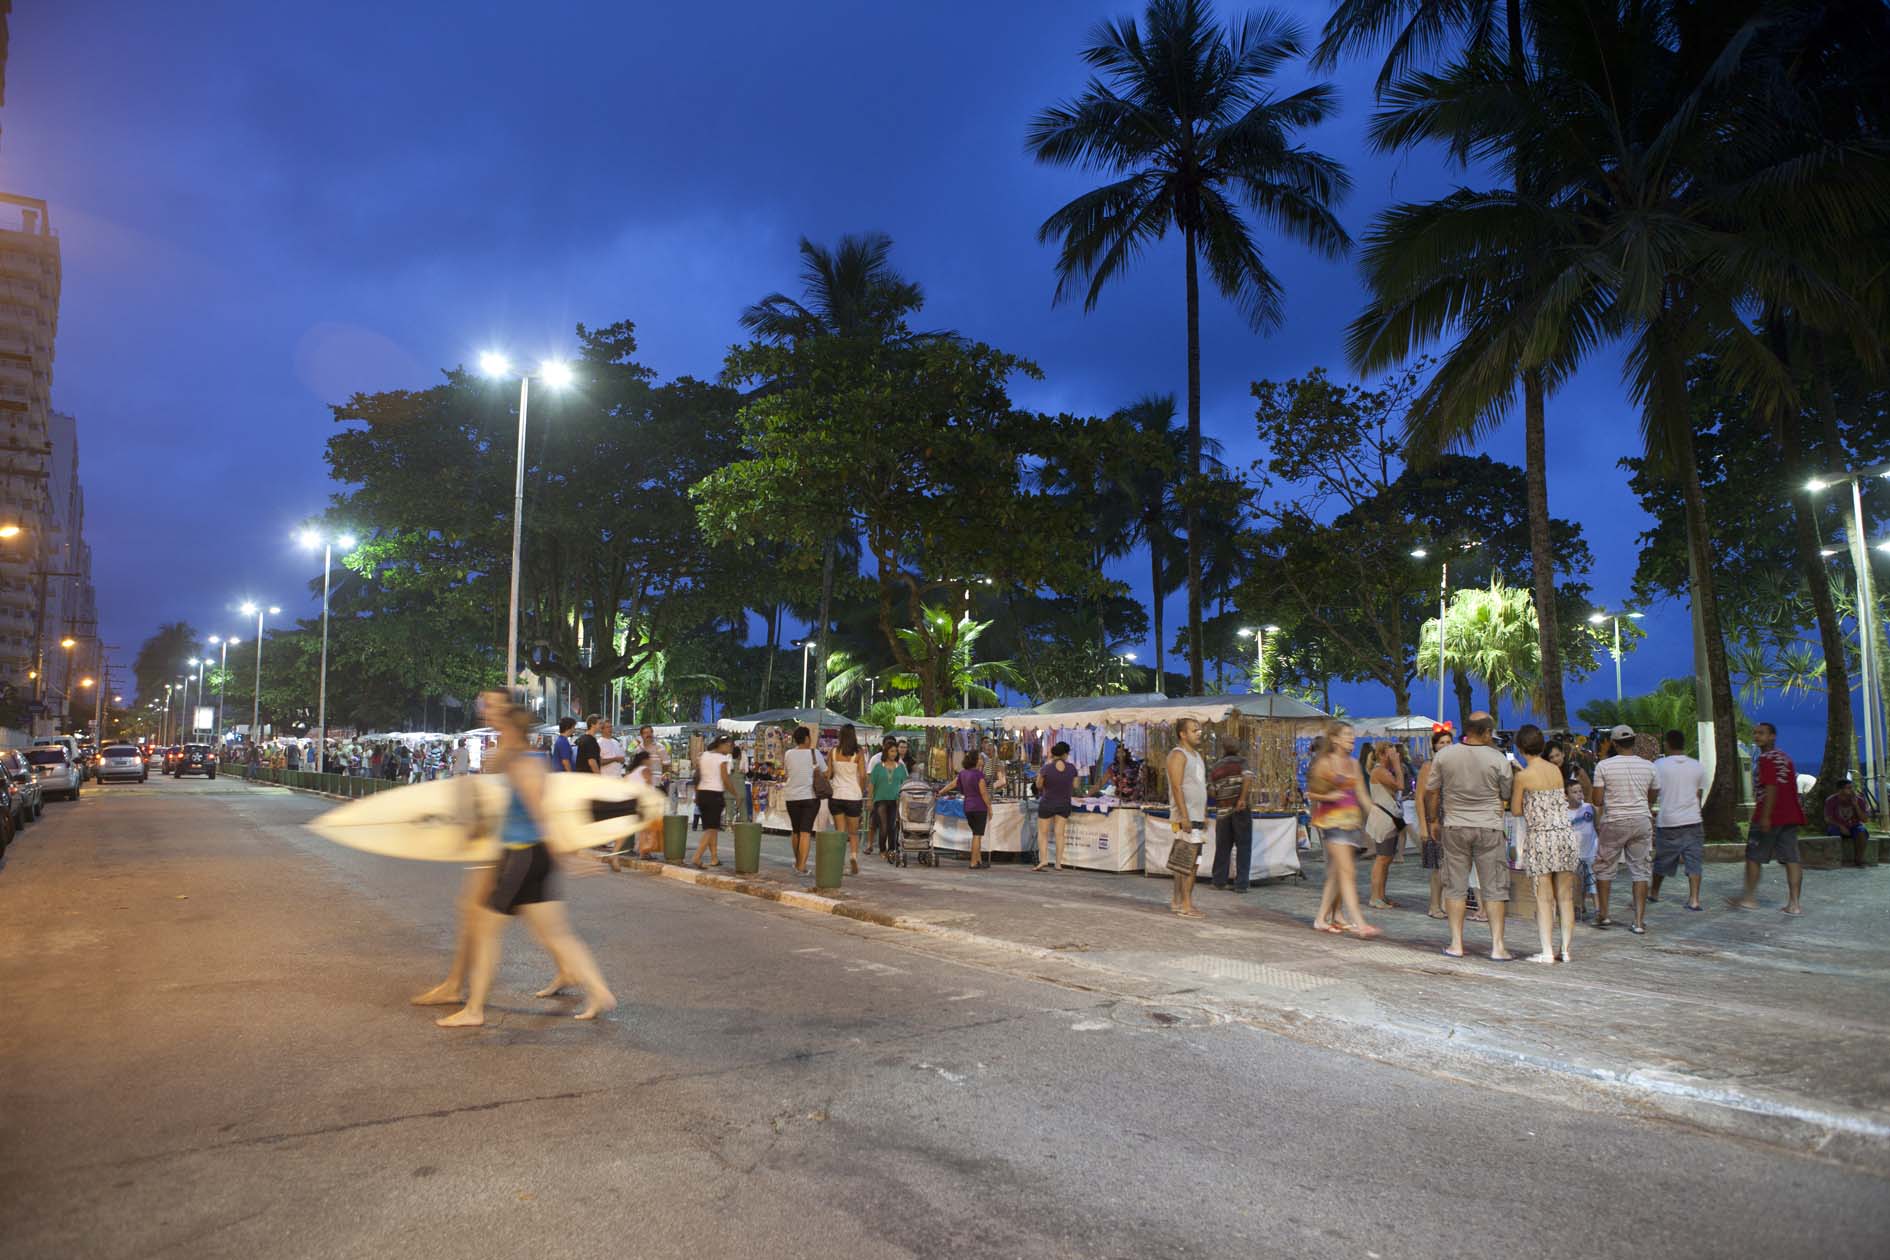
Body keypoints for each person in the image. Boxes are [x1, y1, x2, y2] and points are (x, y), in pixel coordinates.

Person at [435, 694, 614, 1028]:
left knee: (486, 931)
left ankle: (474, 1010)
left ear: (511, 729)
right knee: (556, 935)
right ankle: (599, 991)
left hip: (523, 856)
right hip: (530, 855)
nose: (495, 727)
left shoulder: (521, 764)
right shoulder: (530, 760)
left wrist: (569, 857)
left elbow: (540, 813)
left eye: (501, 725)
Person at [1427, 711, 1514, 959]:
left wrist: (1433, 820)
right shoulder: (1498, 759)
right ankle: (1497, 946)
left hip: (1454, 825)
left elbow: (1432, 791)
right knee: (1494, 887)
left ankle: (1456, 944)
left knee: (1455, 886)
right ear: (1486, 732)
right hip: (1489, 827)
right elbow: (1506, 793)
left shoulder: (1445, 755)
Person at [1510, 724, 1580, 963]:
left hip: (1541, 837)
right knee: (1565, 897)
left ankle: (1547, 951)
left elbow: (1516, 809)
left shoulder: (1522, 776)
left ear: (1521, 748)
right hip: (1565, 834)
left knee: (1544, 898)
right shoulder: (1555, 770)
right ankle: (1566, 950)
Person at [1308, 721, 1376, 937]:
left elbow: (1362, 795)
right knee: (1347, 871)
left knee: (1336, 874)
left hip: (1352, 823)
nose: (1352, 738)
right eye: (1347, 734)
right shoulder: (1324, 763)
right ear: (1335, 739)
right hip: (1332, 823)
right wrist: (1329, 797)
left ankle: (1321, 918)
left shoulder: (1354, 764)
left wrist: (1376, 815)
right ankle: (1359, 922)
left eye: (1352, 734)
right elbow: (1311, 793)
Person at [1732, 721, 1806, 915]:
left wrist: (1765, 816)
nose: (1757, 736)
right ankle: (1794, 904)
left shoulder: (1766, 759)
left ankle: (1749, 898)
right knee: (1792, 859)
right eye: (1755, 733)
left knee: (1753, 856)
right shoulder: (1786, 758)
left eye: (1762, 733)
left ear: (1772, 736)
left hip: (1770, 814)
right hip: (1790, 815)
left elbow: (1771, 787)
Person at [1591, 723, 1656, 934]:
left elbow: (1597, 800)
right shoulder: (1649, 766)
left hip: (1614, 821)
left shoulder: (1604, 766)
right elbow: (1653, 795)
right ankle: (1639, 921)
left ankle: (1604, 914)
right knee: (1640, 870)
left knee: (1604, 867)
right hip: (1641, 820)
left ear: (1614, 743)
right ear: (1633, 742)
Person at [1649, 729, 1707, 911]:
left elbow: (1653, 791)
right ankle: (1694, 899)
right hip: (1693, 820)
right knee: (1694, 861)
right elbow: (1699, 794)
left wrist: (1649, 806)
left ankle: (1654, 892)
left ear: (1667, 743)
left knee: (1662, 860)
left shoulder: (1659, 765)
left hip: (1669, 820)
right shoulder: (1697, 765)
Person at [1363, 742, 1408, 909]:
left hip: (1388, 817)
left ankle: (1381, 895)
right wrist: (1397, 766)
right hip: (1383, 818)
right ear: (1382, 755)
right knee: (1382, 859)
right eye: (1392, 754)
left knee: (1387, 859)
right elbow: (1400, 786)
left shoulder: (1383, 771)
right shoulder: (1379, 771)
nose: (1396, 756)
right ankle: (1375, 897)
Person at [1414, 729, 1453, 918]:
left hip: (1452, 820)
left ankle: (1445, 903)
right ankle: (1434, 905)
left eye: (1448, 742)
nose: (1445, 746)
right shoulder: (1428, 766)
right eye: (1441, 742)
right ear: (1434, 746)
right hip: (1435, 820)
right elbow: (1419, 798)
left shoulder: (1453, 766)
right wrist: (1423, 826)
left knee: (1450, 865)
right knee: (1438, 867)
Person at [1208, 744, 1254, 891]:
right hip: (1240, 808)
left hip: (1223, 811)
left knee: (1222, 846)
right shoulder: (1242, 762)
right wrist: (1242, 798)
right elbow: (1248, 778)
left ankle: (1218, 881)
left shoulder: (1216, 766)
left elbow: (1211, 790)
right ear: (1237, 750)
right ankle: (1241, 884)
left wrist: (1222, 793)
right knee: (1243, 846)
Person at [823, 724, 867, 874]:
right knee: (853, 833)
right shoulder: (858, 753)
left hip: (836, 796)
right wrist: (860, 790)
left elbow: (828, 774)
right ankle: (853, 857)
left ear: (840, 735)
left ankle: (839, 863)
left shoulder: (833, 752)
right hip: (853, 796)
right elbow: (863, 775)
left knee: (840, 833)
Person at [783, 726, 824, 874]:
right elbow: (825, 772)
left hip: (791, 797)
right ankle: (801, 866)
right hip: (810, 797)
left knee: (796, 831)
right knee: (805, 832)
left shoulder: (788, 754)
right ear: (807, 738)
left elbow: (787, 773)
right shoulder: (815, 753)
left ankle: (797, 862)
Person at [1035, 741, 1079, 872]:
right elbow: (1076, 786)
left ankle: (1043, 860)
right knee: (1060, 834)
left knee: (1043, 833)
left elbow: (1038, 785)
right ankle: (1058, 863)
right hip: (1064, 803)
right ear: (1065, 754)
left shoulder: (1046, 768)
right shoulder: (1072, 768)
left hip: (1047, 802)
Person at [690, 734, 732, 868]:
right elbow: (725, 779)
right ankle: (697, 857)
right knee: (711, 829)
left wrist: (697, 793)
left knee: (711, 828)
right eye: (729, 745)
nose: (730, 748)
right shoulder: (722, 758)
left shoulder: (704, 755)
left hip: (702, 793)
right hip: (714, 794)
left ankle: (714, 858)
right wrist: (736, 794)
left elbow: (697, 776)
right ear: (722, 745)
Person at [869, 737, 908, 860]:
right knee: (884, 826)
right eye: (891, 751)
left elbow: (904, 785)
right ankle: (882, 850)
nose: (894, 754)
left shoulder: (900, 767)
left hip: (895, 800)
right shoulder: (878, 767)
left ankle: (891, 850)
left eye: (895, 751)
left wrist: (904, 801)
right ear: (886, 752)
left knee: (892, 826)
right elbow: (871, 784)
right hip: (880, 800)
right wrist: (870, 800)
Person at [1568, 780, 1599, 921]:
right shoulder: (1564, 813)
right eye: (1574, 792)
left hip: (1590, 851)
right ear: (1566, 795)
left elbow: (1597, 826)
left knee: (1592, 881)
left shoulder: (1589, 808)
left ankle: (1598, 909)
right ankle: (1579, 906)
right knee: (1576, 882)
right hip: (1574, 854)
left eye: (1580, 791)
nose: (1579, 794)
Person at [957, 750, 993, 869]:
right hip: (979, 807)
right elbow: (984, 793)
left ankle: (978, 860)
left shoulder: (962, 774)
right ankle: (973, 862)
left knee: (976, 833)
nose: (982, 760)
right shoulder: (979, 775)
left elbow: (960, 789)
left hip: (968, 806)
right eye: (980, 758)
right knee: (977, 835)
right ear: (976, 761)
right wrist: (989, 807)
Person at [1823, 779, 1870, 868]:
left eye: (1852, 788)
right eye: (1848, 788)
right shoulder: (1831, 800)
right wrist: (1841, 826)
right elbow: (1828, 818)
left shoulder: (1859, 800)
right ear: (1840, 790)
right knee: (1833, 832)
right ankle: (1835, 859)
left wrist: (1856, 805)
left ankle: (1859, 859)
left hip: (1854, 825)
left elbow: (1864, 819)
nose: (1852, 790)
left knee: (1862, 831)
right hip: (1837, 825)